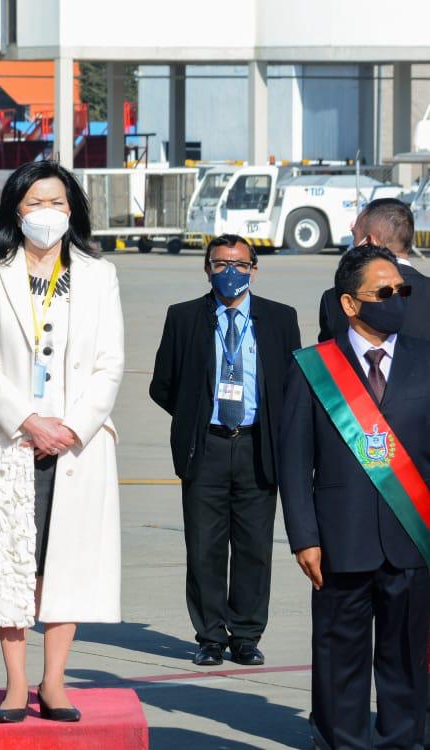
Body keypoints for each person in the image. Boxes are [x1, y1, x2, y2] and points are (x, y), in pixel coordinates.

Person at [0, 160, 123, 723]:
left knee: (64, 562)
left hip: (77, 443)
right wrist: (27, 420)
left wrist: (70, 427)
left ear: (73, 211)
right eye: (35, 204)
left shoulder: (99, 274)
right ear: (15, 211)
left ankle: (55, 681)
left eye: (57, 203)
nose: (47, 214)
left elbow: (110, 364)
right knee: (12, 562)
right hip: (8, 439)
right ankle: (17, 682)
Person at [280, 244, 430, 750]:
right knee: (338, 662)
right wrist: (304, 537)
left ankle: (402, 742)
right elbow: (295, 463)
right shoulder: (313, 367)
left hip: (412, 540)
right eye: (383, 292)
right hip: (339, 542)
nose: (396, 299)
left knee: (405, 661)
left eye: (401, 291)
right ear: (349, 304)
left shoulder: (426, 361)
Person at [149, 234, 301, 667]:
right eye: (220, 263)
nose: (230, 271)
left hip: (257, 446)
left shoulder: (279, 318)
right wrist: (197, 414)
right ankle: (210, 636)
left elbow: (292, 384)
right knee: (204, 547)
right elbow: (163, 383)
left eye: (239, 263)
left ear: (254, 268)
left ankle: (247, 635)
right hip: (208, 445)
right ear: (207, 268)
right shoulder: (184, 317)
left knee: (254, 547)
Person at [319, 198, 430, 342]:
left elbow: (327, 359)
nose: (353, 244)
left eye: (355, 236)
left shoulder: (337, 298)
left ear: (370, 242)